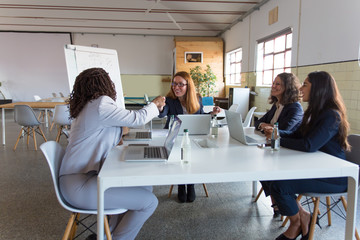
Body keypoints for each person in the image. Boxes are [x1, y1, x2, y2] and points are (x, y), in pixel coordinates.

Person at [59, 68, 166, 240]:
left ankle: (111, 234)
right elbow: (138, 118)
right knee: (149, 202)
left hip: (81, 178)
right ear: (105, 84)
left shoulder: (89, 106)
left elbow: (115, 130)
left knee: (146, 187)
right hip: (79, 185)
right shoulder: (100, 103)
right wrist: (155, 104)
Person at [268, 71, 350, 240]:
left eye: (305, 84)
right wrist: (276, 133)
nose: (300, 87)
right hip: (315, 169)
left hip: (333, 176)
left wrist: (276, 140)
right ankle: (302, 217)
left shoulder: (331, 115)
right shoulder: (315, 112)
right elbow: (298, 135)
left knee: (279, 185)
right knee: (271, 178)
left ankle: (297, 222)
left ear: (318, 89)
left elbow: (309, 145)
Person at [158, 71, 220, 203]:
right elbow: (163, 114)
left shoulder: (197, 98)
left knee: (192, 152)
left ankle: (190, 183)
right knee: (180, 152)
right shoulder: (169, 100)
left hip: (192, 136)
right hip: (175, 138)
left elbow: (201, 116)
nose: (176, 87)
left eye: (181, 84)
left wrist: (212, 114)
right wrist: (161, 108)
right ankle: (181, 184)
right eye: (174, 84)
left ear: (188, 86)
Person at [254, 72, 303, 217]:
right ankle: (276, 203)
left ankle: (279, 204)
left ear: (287, 87)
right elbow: (258, 123)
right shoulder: (278, 105)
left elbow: (283, 131)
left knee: (263, 166)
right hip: (276, 149)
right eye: (273, 83)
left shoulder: (295, 107)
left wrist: (269, 127)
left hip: (290, 153)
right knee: (260, 166)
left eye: (278, 84)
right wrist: (266, 126)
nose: (273, 86)